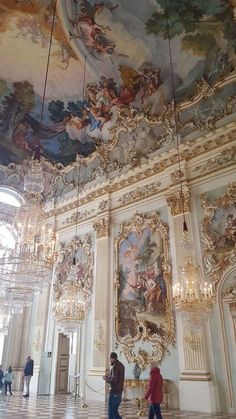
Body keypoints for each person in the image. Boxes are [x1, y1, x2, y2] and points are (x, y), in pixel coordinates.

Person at [103, 352, 125, 419]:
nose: (109, 359)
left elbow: (114, 381)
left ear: (112, 358)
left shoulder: (115, 366)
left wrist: (106, 378)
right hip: (119, 392)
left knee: (111, 412)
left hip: (114, 392)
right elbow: (116, 378)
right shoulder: (121, 365)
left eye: (110, 358)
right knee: (114, 412)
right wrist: (109, 377)